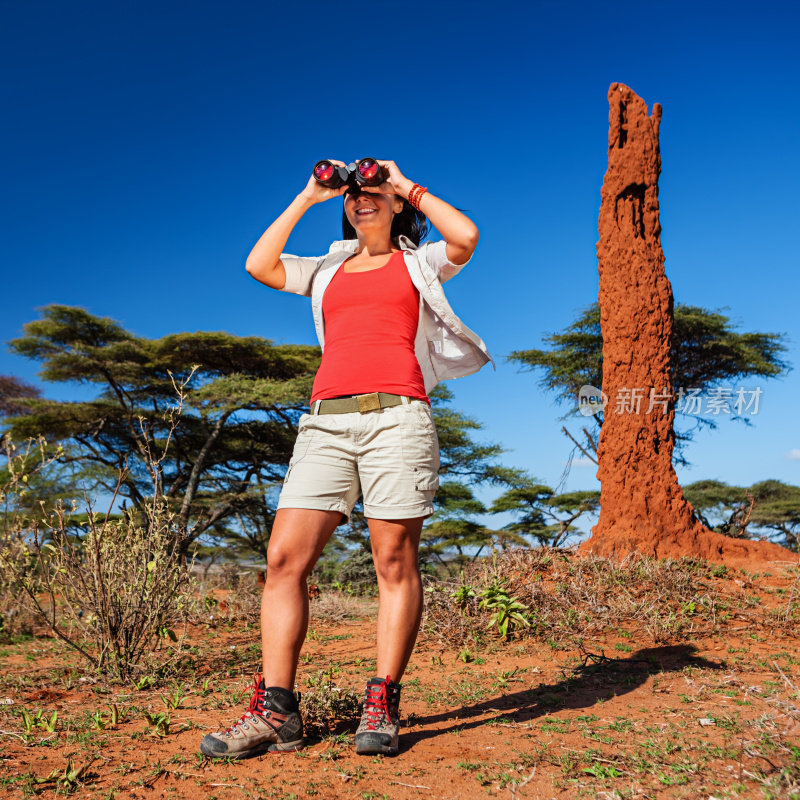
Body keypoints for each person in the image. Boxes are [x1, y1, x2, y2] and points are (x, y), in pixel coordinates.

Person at [200, 159, 492, 759]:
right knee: (282, 560)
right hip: (325, 423)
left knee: (392, 559)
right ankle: (278, 711)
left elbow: (466, 237)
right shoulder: (329, 267)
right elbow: (260, 265)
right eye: (353, 195)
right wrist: (309, 195)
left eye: (374, 193)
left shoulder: (418, 260)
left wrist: (404, 181)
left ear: (394, 204)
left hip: (398, 418)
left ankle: (382, 698)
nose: (362, 200)